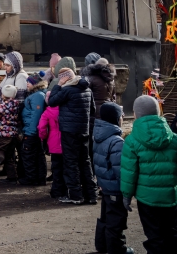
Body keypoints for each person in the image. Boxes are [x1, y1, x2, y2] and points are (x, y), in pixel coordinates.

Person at [121, 95, 177, 253]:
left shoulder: (131, 141)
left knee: (154, 235)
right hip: (172, 197)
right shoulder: (174, 139)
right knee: (172, 234)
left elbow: (129, 172)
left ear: (135, 114)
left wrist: (126, 195)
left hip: (147, 200)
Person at [48, 57, 97, 205]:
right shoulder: (87, 89)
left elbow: (52, 101)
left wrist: (58, 85)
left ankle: (76, 195)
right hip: (84, 130)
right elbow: (93, 110)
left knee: (71, 163)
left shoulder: (67, 90)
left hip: (69, 131)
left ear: (64, 78)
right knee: (85, 161)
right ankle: (91, 195)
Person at [93, 102, 133, 254]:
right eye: (121, 116)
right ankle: (117, 250)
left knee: (105, 217)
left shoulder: (99, 136)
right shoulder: (116, 141)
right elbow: (120, 170)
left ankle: (102, 246)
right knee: (116, 221)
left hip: (105, 185)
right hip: (115, 188)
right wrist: (127, 190)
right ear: (116, 118)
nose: (123, 118)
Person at [19, 73, 47, 186]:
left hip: (31, 131)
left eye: (29, 82)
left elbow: (36, 115)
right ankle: (39, 178)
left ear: (35, 84)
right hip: (34, 131)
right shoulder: (37, 94)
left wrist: (31, 131)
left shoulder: (37, 96)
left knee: (29, 154)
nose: (27, 84)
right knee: (38, 154)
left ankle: (31, 178)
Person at [0, 85, 21, 184]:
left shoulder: (2, 106)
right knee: (10, 156)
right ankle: (12, 178)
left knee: (0, 150)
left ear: (4, 94)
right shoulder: (18, 106)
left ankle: (0, 158)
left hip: (3, 134)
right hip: (14, 134)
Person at [38, 90, 66, 199]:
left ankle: (57, 191)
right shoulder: (66, 109)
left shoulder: (48, 111)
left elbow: (42, 127)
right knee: (68, 166)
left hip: (54, 141)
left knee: (56, 167)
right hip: (67, 141)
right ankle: (67, 190)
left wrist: (43, 137)